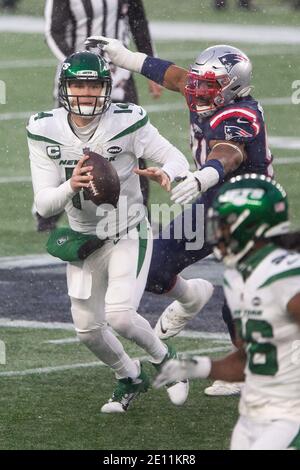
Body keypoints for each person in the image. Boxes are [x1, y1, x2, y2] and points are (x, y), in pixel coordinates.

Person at [84, 37, 274, 395]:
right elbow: (174, 77)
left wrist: (204, 175)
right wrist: (125, 56)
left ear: (232, 88)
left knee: (239, 302)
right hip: (213, 203)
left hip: (249, 210)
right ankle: (190, 298)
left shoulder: (241, 112)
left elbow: (228, 152)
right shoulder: (203, 91)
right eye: (198, 84)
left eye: (208, 87)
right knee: (154, 269)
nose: (198, 93)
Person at [27, 51, 189, 413]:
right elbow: (44, 204)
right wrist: (71, 186)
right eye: (78, 85)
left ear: (107, 87)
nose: (86, 93)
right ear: (65, 88)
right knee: (87, 330)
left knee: (119, 315)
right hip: (84, 238)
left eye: (94, 85)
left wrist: (171, 174)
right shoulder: (43, 128)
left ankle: (169, 362)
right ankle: (129, 377)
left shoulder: (126, 120)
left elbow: (174, 156)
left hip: (128, 230)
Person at [153, 173, 300, 450]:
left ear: (249, 226)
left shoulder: (287, 278)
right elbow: (252, 360)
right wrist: (197, 367)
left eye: (224, 225)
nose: (215, 234)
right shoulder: (237, 276)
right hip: (251, 416)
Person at [36, 0, 161, 232]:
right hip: (77, 80)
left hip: (118, 75)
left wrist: (152, 66)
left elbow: (138, 21)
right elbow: (53, 32)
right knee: (65, 144)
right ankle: (48, 212)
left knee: (131, 143)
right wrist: (75, 67)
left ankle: (139, 212)